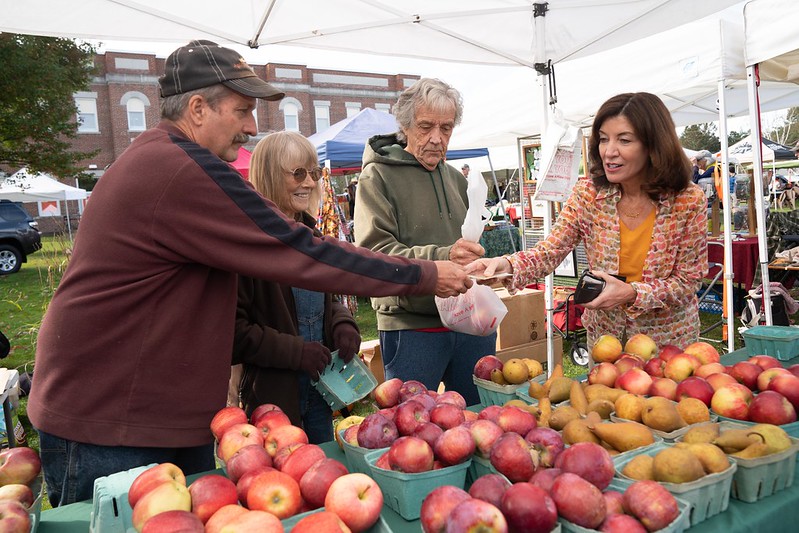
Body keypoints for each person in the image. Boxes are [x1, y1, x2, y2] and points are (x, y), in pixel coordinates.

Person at [27, 40, 472, 507]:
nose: (250, 126)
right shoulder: (178, 169)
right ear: (198, 108)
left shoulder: (169, 159)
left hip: (146, 414)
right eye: (241, 110)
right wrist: (424, 274)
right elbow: (300, 249)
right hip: (113, 424)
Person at [466, 92, 708, 352]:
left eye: (624, 140)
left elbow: (688, 282)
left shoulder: (687, 200)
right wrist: (505, 265)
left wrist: (632, 293)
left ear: (654, 145)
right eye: (603, 139)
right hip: (606, 341)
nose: (609, 152)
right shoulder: (588, 194)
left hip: (668, 344)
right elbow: (549, 252)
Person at [354, 78, 494, 407]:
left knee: (479, 418)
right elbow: (375, 255)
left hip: (467, 319)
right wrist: (443, 256)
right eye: (426, 126)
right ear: (404, 126)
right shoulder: (377, 177)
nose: (436, 138)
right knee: (412, 426)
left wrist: (483, 264)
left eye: (446, 128)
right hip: (412, 326)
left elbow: (464, 242)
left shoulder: (456, 178)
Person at [232, 131, 360, 443]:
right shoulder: (249, 245)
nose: (309, 183)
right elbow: (233, 332)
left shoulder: (312, 238)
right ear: (269, 176)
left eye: (314, 173)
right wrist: (296, 352)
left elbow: (322, 302)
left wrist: (342, 322)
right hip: (274, 402)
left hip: (323, 393)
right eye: (298, 173)